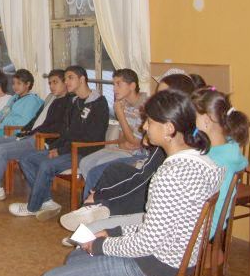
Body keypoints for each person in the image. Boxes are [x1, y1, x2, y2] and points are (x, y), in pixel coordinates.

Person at [38, 90, 224, 276]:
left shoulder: (170, 174)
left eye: (150, 122)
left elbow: (146, 243)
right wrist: (113, 232)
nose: (144, 127)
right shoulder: (206, 163)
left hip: (152, 273)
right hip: (175, 263)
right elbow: (159, 228)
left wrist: (101, 245)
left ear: (169, 128)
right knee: (77, 257)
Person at [59, 72, 196, 232]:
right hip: (129, 152)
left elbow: (139, 156)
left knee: (103, 171)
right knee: (103, 167)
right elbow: (126, 139)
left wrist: (99, 195)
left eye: (163, 95)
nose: (145, 126)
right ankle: (93, 211)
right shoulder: (165, 133)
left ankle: (98, 211)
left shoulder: (174, 147)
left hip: (139, 158)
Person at [0, 69, 71, 217]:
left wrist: (39, 137)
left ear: (65, 83)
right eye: (50, 83)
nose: (52, 86)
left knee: (2, 150)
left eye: (55, 82)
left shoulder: (68, 102)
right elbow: (35, 120)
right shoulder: (51, 98)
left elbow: (60, 128)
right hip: (28, 136)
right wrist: (25, 131)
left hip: (41, 140)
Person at [8, 65, 109, 220]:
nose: (66, 82)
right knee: (26, 159)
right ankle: (47, 201)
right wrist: (54, 147)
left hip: (84, 152)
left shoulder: (99, 103)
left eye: (70, 78)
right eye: (66, 78)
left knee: (46, 165)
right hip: (67, 149)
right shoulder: (74, 102)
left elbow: (93, 137)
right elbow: (67, 132)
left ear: (82, 79)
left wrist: (60, 151)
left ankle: (32, 207)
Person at [77, 69, 148, 196]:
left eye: (118, 84)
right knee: (84, 162)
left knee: (98, 166)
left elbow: (135, 143)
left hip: (136, 154)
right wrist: (127, 140)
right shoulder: (123, 103)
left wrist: (120, 114)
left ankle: (98, 199)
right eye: (113, 84)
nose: (114, 89)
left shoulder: (144, 107)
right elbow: (122, 139)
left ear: (132, 86)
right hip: (121, 148)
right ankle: (97, 196)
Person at [192, 86, 249, 236]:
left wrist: (202, 238)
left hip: (202, 235)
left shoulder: (217, 162)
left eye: (192, 117)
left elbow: (219, 209)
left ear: (206, 121)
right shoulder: (228, 145)